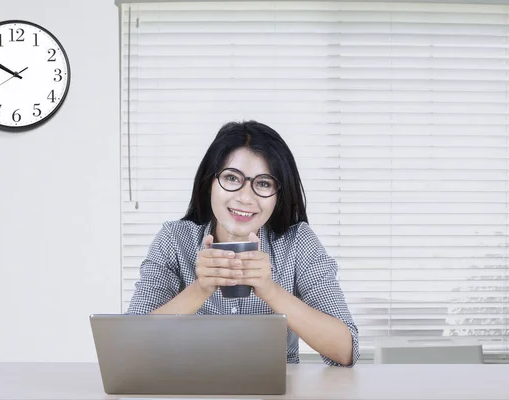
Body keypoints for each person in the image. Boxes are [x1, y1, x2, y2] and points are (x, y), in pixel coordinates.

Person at [126, 120, 360, 367]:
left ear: (278, 196)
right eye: (231, 178)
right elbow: (129, 347)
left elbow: (345, 351)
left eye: (263, 183)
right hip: (192, 387)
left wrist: (269, 290)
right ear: (209, 184)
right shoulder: (174, 239)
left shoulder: (298, 242)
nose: (245, 198)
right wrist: (201, 289)